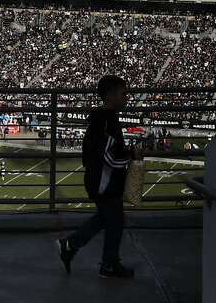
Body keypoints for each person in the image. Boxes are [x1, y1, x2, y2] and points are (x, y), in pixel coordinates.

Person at [56, 74, 141, 279]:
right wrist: (131, 154)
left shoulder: (103, 118)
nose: (127, 97)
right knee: (115, 221)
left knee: (105, 218)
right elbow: (109, 158)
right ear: (111, 95)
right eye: (124, 93)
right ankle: (108, 265)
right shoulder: (106, 121)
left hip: (100, 179)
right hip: (104, 181)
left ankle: (70, 245)